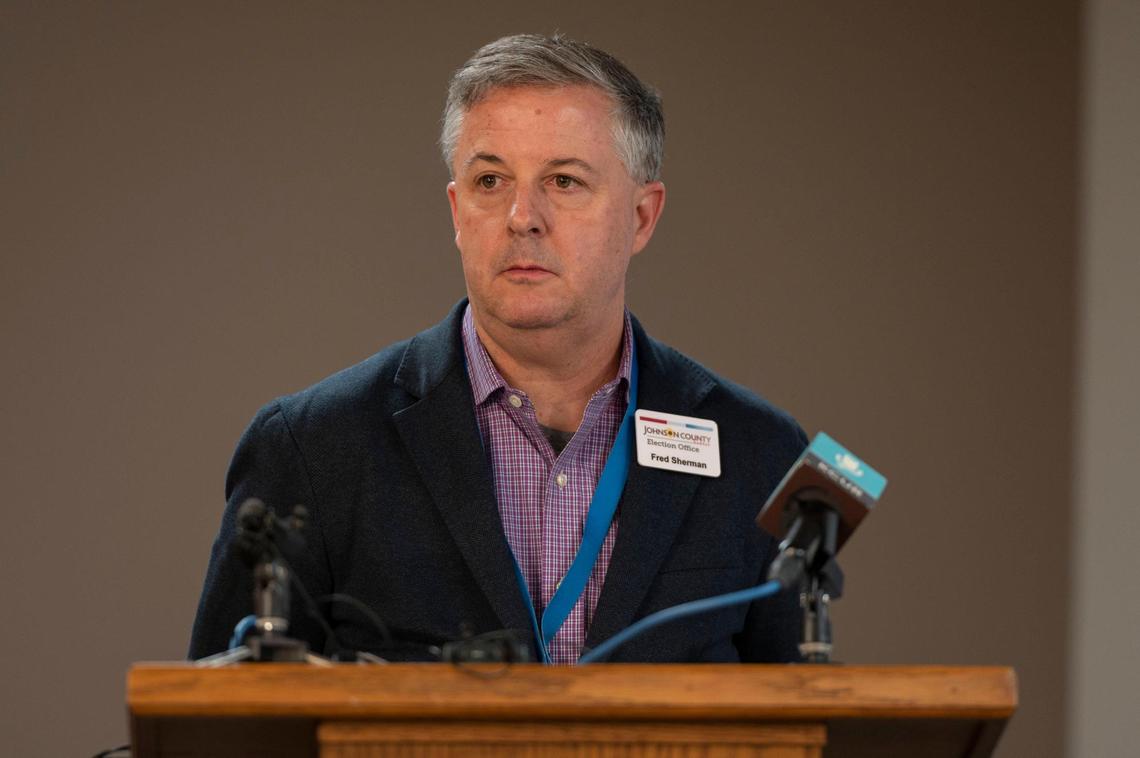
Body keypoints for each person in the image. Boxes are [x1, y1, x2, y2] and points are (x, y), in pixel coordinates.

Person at [189, 33, 806, 664]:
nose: (521, 215)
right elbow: (213, 727)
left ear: (642, 218)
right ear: (457, 212)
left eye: (564, 181)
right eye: (490, 179)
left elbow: (804, 725)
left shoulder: (757, 454)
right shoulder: (313, 448)